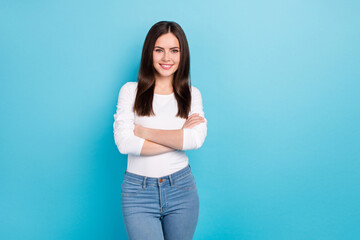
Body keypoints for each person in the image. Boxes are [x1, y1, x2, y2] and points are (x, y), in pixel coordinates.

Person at [113, 21, 207, 240]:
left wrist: (142, 131)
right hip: (138, 192)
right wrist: (177, 136)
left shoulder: (192, 95)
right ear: (149, 53)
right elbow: (125, 143)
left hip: (181, 189)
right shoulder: (130, 91)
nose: (167, 58)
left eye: (174, 50)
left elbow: (194, 140)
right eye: (159, 50)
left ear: (182, 55)